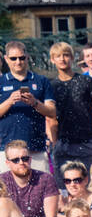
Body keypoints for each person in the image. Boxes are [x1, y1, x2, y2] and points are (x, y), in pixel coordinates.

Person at [47, 42, 92, 185]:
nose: (62, 59)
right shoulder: (52, 86)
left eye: (66, 55)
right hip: (64, 144)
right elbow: (51, 118)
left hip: (88, 142)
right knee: (65, 188)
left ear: (72, 58)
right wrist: (55, 143)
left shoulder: (86, 81)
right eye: (58, 56)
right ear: (52, 60)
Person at [0, 42, 56, 173]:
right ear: (6, 59)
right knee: (5, 192)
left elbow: (52, 112)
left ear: (27, 57)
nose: (18, 62)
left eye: (21, 57)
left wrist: (35, 103)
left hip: (35, 149)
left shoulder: (41, 81)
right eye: (13, 58)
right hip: (6, 150)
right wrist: (9, 101)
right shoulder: (1, 82)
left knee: (41, 190)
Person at [1, 140, 58, 217]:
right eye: (16, 160)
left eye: (25, 158)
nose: (21, 163)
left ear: (30, 159)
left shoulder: (45, 179)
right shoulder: (2, 181)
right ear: (7, 163)